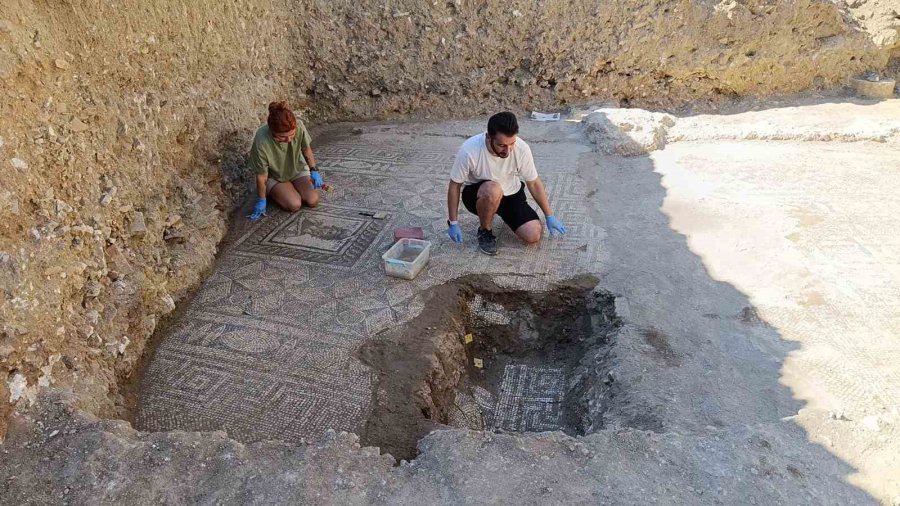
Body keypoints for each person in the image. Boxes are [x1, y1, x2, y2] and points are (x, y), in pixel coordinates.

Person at [446, 111, 566, 255]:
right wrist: (453, 222)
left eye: (512, 144)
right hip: (479, 194)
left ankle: (501, 213)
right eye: (502, 145)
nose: (508, 151)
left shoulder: (522, 149)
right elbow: (455, 185)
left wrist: (549, 215)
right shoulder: (469, 150)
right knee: (493, 190)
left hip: (510, 193)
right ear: (489, 137)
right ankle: (485, 230)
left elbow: (533, 183)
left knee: (533, 235)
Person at [247, 101, 324, 220]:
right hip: (275, 175)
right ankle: (274, 191)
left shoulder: (299, 125)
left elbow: (306, 149)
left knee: (312, 200)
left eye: (292, 135)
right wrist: (261, 199)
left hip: (296, 168)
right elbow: (261, 176)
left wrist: (314, 170)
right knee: (294, 204)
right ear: (272, 131)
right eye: (282, 137)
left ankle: (290, 188)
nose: (288, 139)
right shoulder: (261, 140)